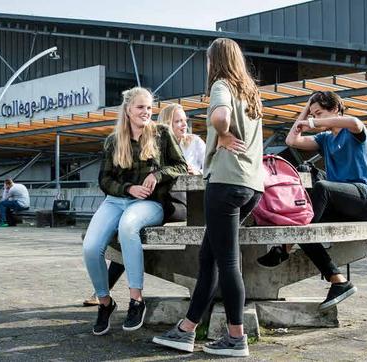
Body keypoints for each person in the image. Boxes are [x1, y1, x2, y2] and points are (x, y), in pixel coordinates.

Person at [153, 38, 264, 357]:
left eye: (206, 60)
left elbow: (220, 119)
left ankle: (235, 337)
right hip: (252, 185)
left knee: (228, 261)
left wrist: (224, 132)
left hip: (227, 183)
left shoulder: (221, 85)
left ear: (215, 60)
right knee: (209, 257)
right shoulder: (252, 93)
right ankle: (186, 330)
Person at [257, 91, 367, 313]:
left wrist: (313, 120)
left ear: (335, 110)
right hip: (341, 203)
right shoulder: (325, 139)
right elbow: (291, 140)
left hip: (366, 198)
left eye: (320, 112)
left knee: (319, 192)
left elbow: (354, 121)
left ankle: (284, 246)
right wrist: (306, 107)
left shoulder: (353, 131)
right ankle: (338, 280)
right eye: (313, 114)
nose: (315, 118)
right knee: (301, 221)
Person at [82, 87, 188, 336]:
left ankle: (136, 300)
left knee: (128, 228)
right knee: (90, 246)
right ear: (128, 109)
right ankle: (105, 302)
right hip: (115, 200)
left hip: (149, 204)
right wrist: (128, 188)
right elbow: (104, 180)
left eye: (149, 108)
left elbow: (181, 165)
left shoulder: (161, 133)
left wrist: (157, 174)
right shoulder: (113, 140)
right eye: (140, 107)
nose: (146, 112)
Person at [158, 103, 206, 174]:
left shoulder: (195, 141)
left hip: (193, 184)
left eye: (185, 120)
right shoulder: (157, 146)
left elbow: (211, 167)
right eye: (178, 121)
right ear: (167, 124)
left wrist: (197, 172)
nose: (184, 124)